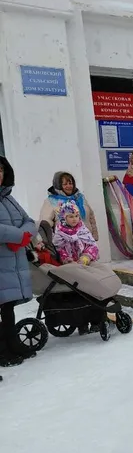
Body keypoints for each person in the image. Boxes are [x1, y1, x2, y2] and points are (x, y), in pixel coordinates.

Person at [0, 154, 37, 368]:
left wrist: (25, 235)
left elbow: (28, 221)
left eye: (1, 170)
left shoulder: (8, 197)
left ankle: (12, 343)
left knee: (8, 306)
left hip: (11, 261)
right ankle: (2, 350)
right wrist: (18, 236)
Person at [39, 171, 99, 240]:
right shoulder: (51, 201)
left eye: (70, 183)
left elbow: (91, 217)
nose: (69, 186)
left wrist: (94, 236)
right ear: (58, 186)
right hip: (65, 243)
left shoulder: (80, 198)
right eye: (65, 184)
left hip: (87, 240)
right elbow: (45, 224)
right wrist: (53, 241)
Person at [52, 200, 99, 266]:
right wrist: (66, 259)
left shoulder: (83, 230)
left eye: (76, 216)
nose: (74, 219)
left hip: (86, 262)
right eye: (71, 217)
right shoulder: (60, 233)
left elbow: (92, 245)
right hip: (70, 265)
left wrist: (86, 256)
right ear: (64, 218)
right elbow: (59, 249)